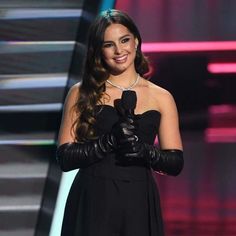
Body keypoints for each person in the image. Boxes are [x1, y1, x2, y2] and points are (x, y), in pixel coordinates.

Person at [56, 9, 184, 236]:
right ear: (99, 51)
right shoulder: (82, 92)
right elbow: (65, 157)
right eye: (108, 45)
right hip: (93, 198)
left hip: (139, 199)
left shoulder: (161, 97)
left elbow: (174, 162)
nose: (119, 51)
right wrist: (109, 141)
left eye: (124, 40)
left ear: (136, 40)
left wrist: (145, 152)